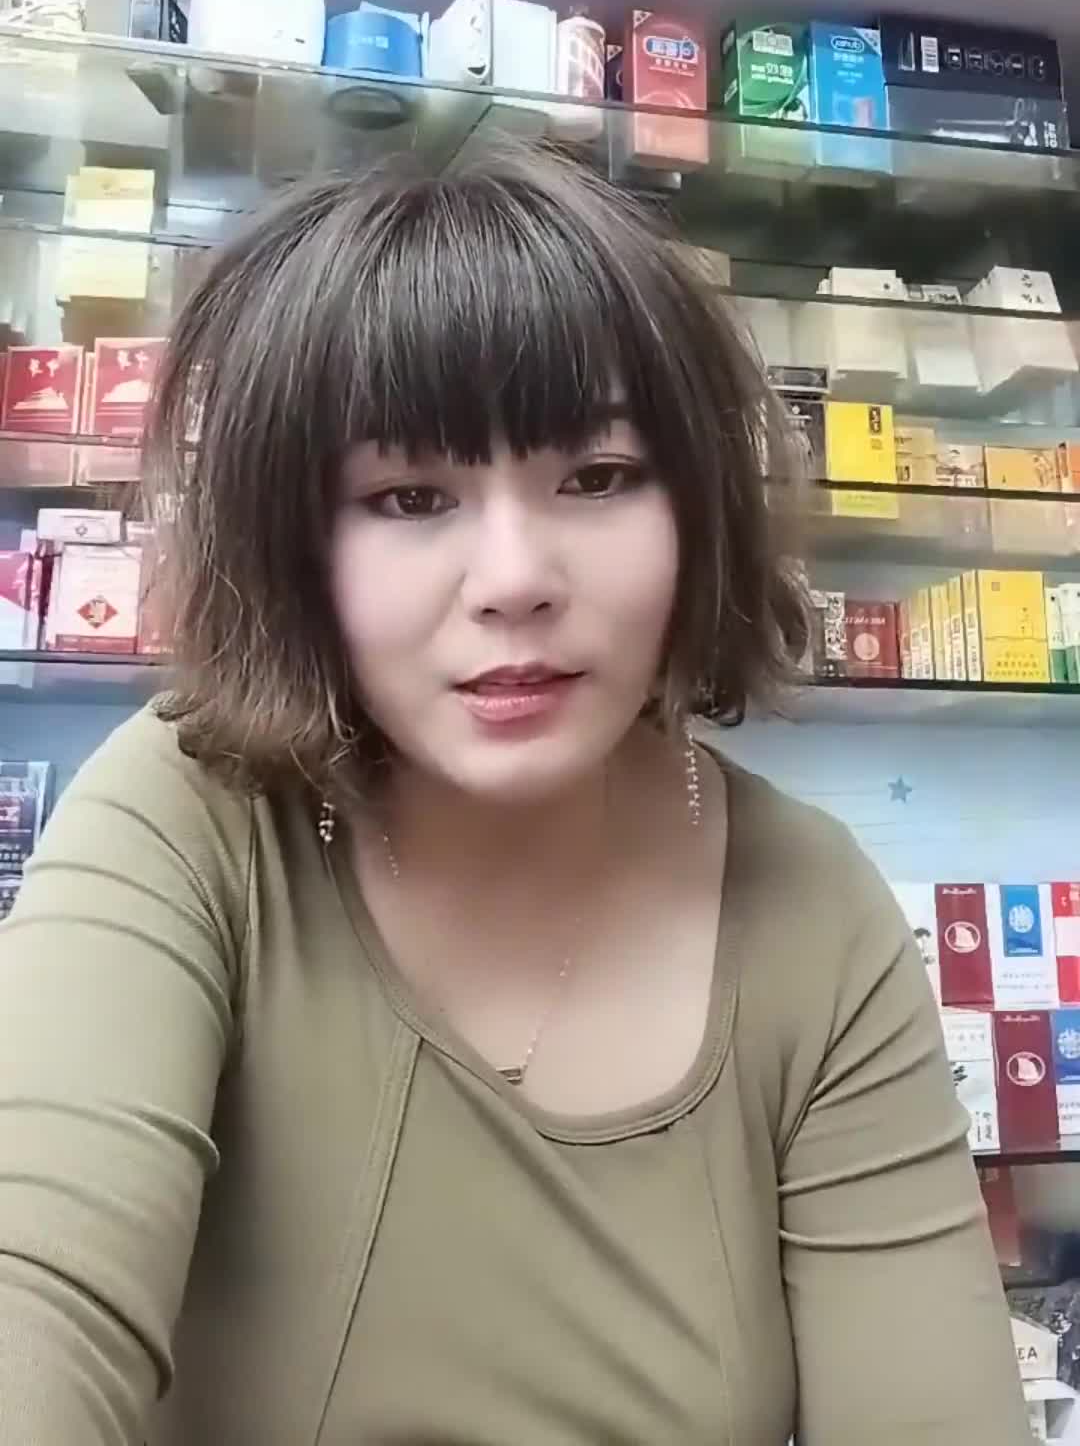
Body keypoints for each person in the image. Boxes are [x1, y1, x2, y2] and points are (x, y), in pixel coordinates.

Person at [0, 149, 1026, 1445]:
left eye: (596, 477)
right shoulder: (191, 816)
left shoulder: (811, 910)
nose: (514, 579)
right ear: (292, 545)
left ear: (698, 506)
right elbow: (37, 1278)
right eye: (409, 497)